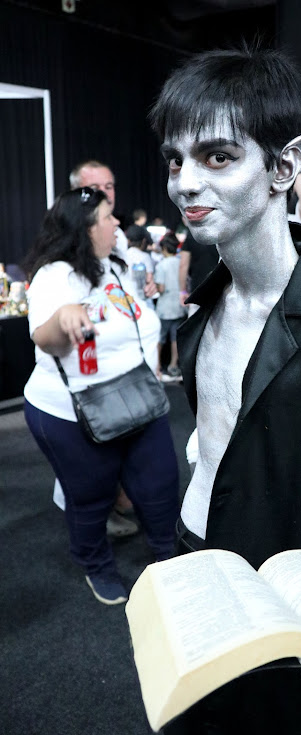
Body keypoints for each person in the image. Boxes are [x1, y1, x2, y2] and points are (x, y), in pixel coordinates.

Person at [151, 45, 301, 735]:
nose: (185, 183)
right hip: (196, 569)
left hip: (292, 617)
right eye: (176, 159)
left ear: (281, 169)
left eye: (218, 157)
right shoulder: (208, 310)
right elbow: (213, 445)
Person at [23, 187, 179, 605]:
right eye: (107, 218)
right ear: (83, 228)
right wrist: (64, 319)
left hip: (137, 398)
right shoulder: (55, 276)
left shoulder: (114, 265)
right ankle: (97, 565)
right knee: (91, 498)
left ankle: (171, 558)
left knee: (161, 484)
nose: (116, 223)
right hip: (71, 413)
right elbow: (45, 336)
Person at [69, 160, 157, 533]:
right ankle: (100, 516)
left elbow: (124, 294)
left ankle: (120, 502)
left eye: (110, 186)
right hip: (99, 375)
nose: (106, 194)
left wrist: (145, 290)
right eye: (95, 189)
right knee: (99, 453)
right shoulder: (69, 250)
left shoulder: (117, 236)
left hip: (136, 368)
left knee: (130, 444)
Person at [154, 232, 186, 381]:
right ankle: (173, 365)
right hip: (179, 307)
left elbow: (160, 288)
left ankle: (157, 366)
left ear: (164, 248)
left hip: (164, 308)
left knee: (159, 338)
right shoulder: (181, 263)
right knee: (175, 339)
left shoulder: (161, 265)